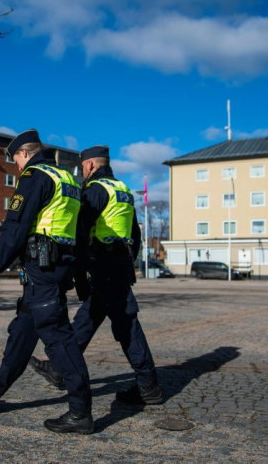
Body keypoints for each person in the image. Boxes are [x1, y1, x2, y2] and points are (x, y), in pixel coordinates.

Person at [0, 129, 94, 434]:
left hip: (42, 271)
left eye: (15, 161)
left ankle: (80, 412)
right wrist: (79, 273)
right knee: (24, 330)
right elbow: (79, 232)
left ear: (24, 153)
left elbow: (16, 227)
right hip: (56, 268)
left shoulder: (35, 176)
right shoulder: (68, 179)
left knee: (59, 339)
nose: (16, 167)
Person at [29, 145, 163, 406]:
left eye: (82, 168)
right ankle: (58, 369)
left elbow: (81, 233)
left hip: (104, 266)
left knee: (127, 327)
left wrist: (77, 271)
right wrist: (126, 259)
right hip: (118, 266)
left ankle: (149, 387)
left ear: (89, 166)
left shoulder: (96, 191)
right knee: (86, 319)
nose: (83, 173)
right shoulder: (123, 189)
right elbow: (134, 235)